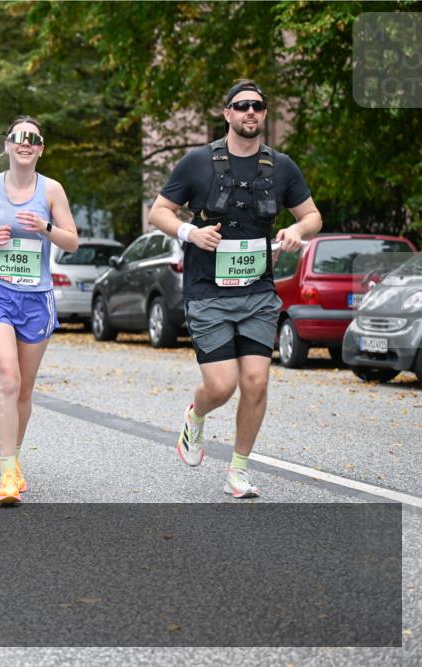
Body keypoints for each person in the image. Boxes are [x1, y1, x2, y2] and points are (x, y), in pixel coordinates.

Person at [148, 80, 321, 498]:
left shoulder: (281, 167)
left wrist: (297, 230)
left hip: (258, 292)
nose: (250, 112)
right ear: (227, 113)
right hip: (208, 292)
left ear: (264, 114)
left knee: (256, 382)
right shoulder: (197, 162)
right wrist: (191, 232)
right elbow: (159, 212)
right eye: (242, 106)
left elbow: (313, 216)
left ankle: (238, 471)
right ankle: (196, 415)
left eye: (258, 106)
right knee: (222, 386)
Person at [0, 116, 79, 506]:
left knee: (23, 387)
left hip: (37, 299)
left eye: (33, 139)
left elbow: (72, 241)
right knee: (7, 379)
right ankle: (7, 473)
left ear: (41, 149)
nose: (25, 143)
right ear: (7, 144)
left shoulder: (51, 190)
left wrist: (45, 227)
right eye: (18, 137)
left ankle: (15, 457)